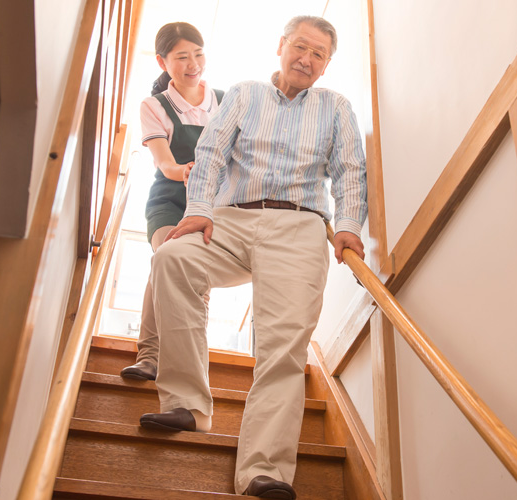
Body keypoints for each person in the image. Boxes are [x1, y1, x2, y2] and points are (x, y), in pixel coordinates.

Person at [139, 15, 367, 499]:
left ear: (326, 65)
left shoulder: (336, 107)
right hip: (232, 218)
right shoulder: (245, 93)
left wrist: (348, 225)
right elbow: (211, 153)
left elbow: (350, 169)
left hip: (300, 227)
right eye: (300, 46)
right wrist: (199, 210)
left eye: (319, 54)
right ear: (281, 45)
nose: (306, 59)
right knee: (172, 260)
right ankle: (187, 405)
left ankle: (265, 470)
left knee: (282, 348)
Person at [120, 22, 223, 381]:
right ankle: (150, 356)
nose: (193, 64)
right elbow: (165, 164)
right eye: (182, 57)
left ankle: (185, 364)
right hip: (170, 200)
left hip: (213, 207)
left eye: (198, 54)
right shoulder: (154, 105)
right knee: (167, 258)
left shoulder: (225, 101)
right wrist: (188, 170)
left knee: (195, 275)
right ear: (163, 62)